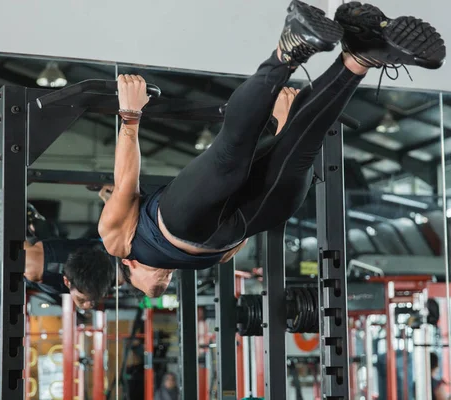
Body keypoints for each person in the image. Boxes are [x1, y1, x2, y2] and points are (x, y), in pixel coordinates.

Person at [96, 0, 446, 297]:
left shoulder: (119, 243)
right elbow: (242, 213)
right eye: (172, 279)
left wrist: (130, 116)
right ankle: (360, 57)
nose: (168, 278)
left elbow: (126, 183)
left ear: (130, 266)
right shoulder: (210, 260)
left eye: (161, 278)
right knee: (299, 147)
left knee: (230, 155)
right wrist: (280, 128)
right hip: (243, 223)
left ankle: (288, 51)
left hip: (179, 219)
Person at [23, 203, 115, 310]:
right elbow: (11, 248)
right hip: (45, 257)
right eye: (91, 300)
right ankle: (31, 216)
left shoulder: (103, 278)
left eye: (84, 299)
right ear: (66, 281)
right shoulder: (36, 266)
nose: (88, 305)